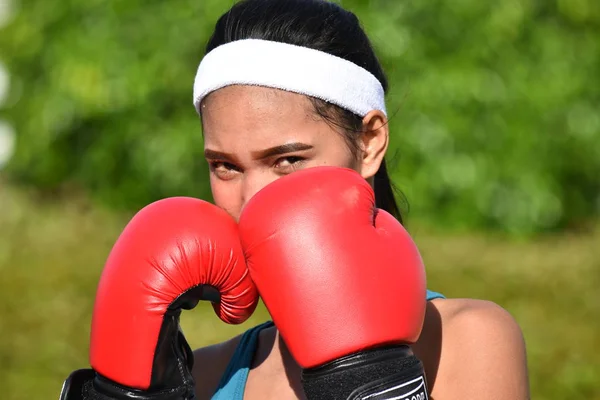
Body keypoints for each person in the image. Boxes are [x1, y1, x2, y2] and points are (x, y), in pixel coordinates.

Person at [59, 0, 529, 399]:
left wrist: (370, 378)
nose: (253, 199)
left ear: (369, 142)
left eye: (286, 160)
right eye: (225, 165)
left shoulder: (468, 341)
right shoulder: (202, 376)